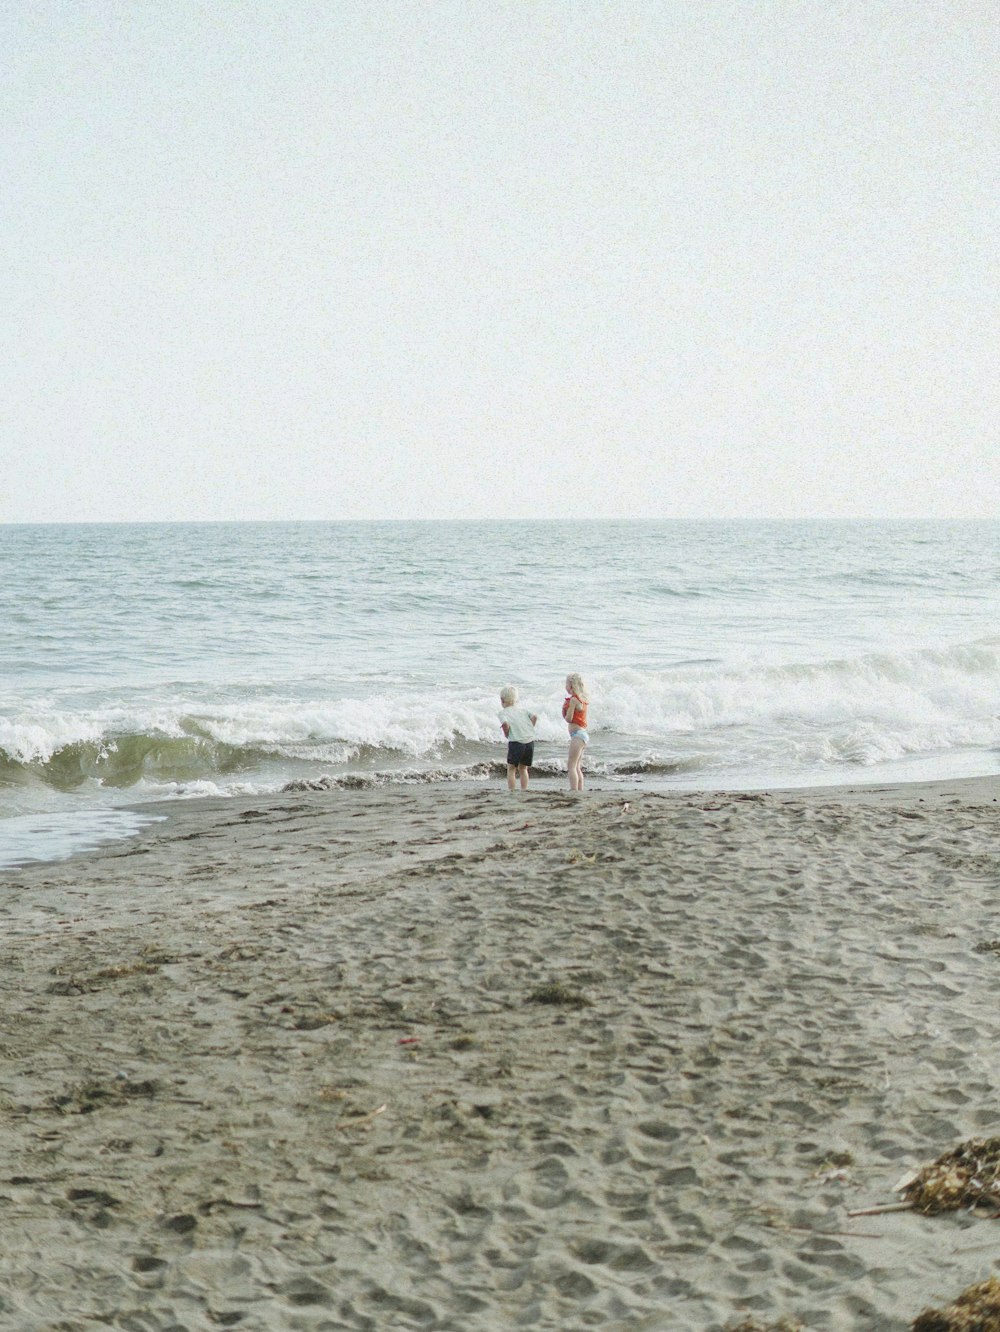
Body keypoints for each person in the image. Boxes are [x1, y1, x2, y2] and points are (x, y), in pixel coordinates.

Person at [498, 686, 538, 791]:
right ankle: (524, 790)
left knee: (511, 769)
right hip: (529, 742)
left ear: (502, 700)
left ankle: (512, 791)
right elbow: (535, 717)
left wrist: (506, 734)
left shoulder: (503, 713)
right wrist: (530, 728)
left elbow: (505, 724)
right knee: (523, 769)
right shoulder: (523, 710)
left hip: (516, 743)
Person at [562, 673, 589, 791]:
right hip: (582, 734)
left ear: (571, 686)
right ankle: (580, 789)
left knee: (571, 766)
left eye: (566, 684)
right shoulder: (581, 699)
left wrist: (565, 709)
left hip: (577, 736)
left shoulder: (573, 700)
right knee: (577, 767)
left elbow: (568, 718)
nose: (565, 686)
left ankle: (574, 790)